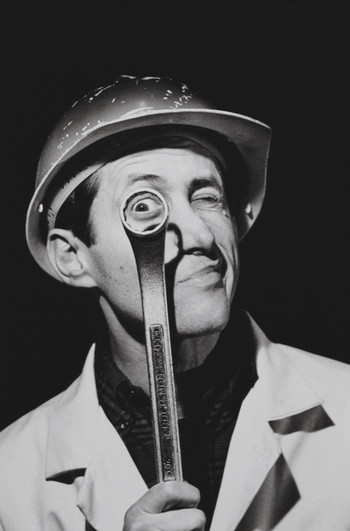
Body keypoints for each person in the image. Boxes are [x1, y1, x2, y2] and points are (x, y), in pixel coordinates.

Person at [0, 75, 350, 531]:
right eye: (145, 206)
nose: (203, 236)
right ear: (73, 257)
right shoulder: (10, 476)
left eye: (208, 198)